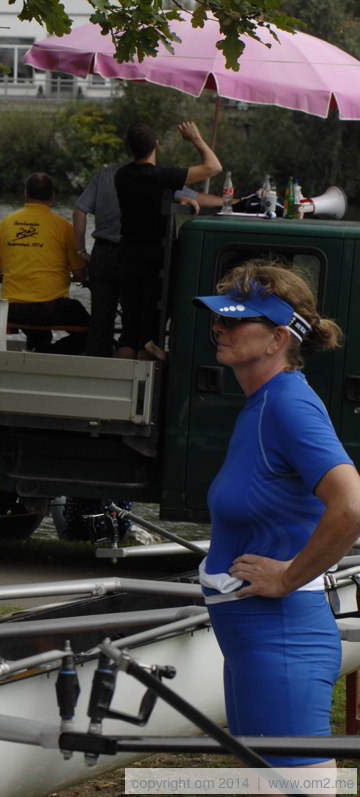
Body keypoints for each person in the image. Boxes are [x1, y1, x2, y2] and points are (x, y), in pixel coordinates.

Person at [193, 260, 360, 770]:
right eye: (218, 318)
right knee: (264, 784)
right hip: (254, 642)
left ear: (278, 339)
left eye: (235, 320)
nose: (219, 327)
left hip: (281, 639)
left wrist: (289, 576)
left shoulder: (288, 405)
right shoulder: (261, 403)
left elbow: (351, 504)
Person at [73, 161, 220, 358]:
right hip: (138, 255)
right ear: (155, 145)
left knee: (101, 319)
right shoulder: (159, 177)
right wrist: (235, 202)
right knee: (143, 319)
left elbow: (79, 211)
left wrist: (81, 250)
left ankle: (98, 373)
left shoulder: (104, 175)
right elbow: (199, 198)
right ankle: (144, 377)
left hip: (103, 252)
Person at [116, 120, 221, 359]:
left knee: (129, 326)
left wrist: (181, 196)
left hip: (128, 256)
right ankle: (145, 392)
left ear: (128, 149)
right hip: (156, 260)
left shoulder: (122, 176)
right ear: (157, 145)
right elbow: (213, 166)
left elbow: (154, 191)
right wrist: (196, 138)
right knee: (150, 328)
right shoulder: (163, 176)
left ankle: (126, 386)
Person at [0, 173, 90, 354]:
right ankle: (47, 354)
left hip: (12, 308)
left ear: (26, 194)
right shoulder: (63, 226)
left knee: (39, 333)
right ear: (53, 195)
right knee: (91, 331)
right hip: (50, 308)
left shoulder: (6, 223)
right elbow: (80, 274)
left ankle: (39, 351)